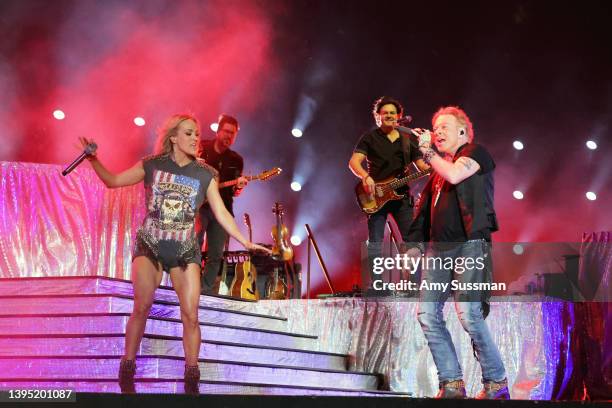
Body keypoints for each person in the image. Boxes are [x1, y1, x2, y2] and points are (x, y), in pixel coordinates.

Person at [79, 113, 268, 394]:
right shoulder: (152, 165)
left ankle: (192, 379)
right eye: (189, 133)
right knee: (142, 306)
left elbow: (222, 213)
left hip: (184, 250)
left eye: (196, 133)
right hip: (151, 246)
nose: (195, 138)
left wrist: (246, 242)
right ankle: (127, 370)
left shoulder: (206, 173)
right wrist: (94, 160)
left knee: (191, 315)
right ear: (173, 138)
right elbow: (113, 181)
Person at [406, 106, 509, 399]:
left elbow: (454, 175)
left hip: (469, 245)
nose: (437, 131)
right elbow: (423, 213)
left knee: (469, 314)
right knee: (426, 313)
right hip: (438, 251)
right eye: (434, 127)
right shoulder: (436, 174)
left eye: (444, 127)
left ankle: (496, 383)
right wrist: (413, 246)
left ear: (462, 131)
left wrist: (428, 153)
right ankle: (451, 383)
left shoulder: (477, 153)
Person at [348, 96, 427, 292]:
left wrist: (437, 165)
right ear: (378, 116)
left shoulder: (408, 140)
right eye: (385, 113)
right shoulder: (370, 138)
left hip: (402, 197)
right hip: (376, 195)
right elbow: (354, 162)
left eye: (393, 113)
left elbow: (422, 166)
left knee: (412, 241)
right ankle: (377, 284)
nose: (389, 116)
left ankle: (413, 284)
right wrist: (366, 177)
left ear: (399, 116)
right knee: (375, 240)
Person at [196, 114, 248, 294]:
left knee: (216, 254)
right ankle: (189, 285)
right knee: (193, 245)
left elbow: (235, 192)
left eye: (233, 134)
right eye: (226, 131)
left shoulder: (236, 160)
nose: (229, 136)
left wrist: (239, 187)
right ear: (218, 131)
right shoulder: (201, 148)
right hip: (199, 206)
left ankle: (205, 291)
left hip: (222, 210)